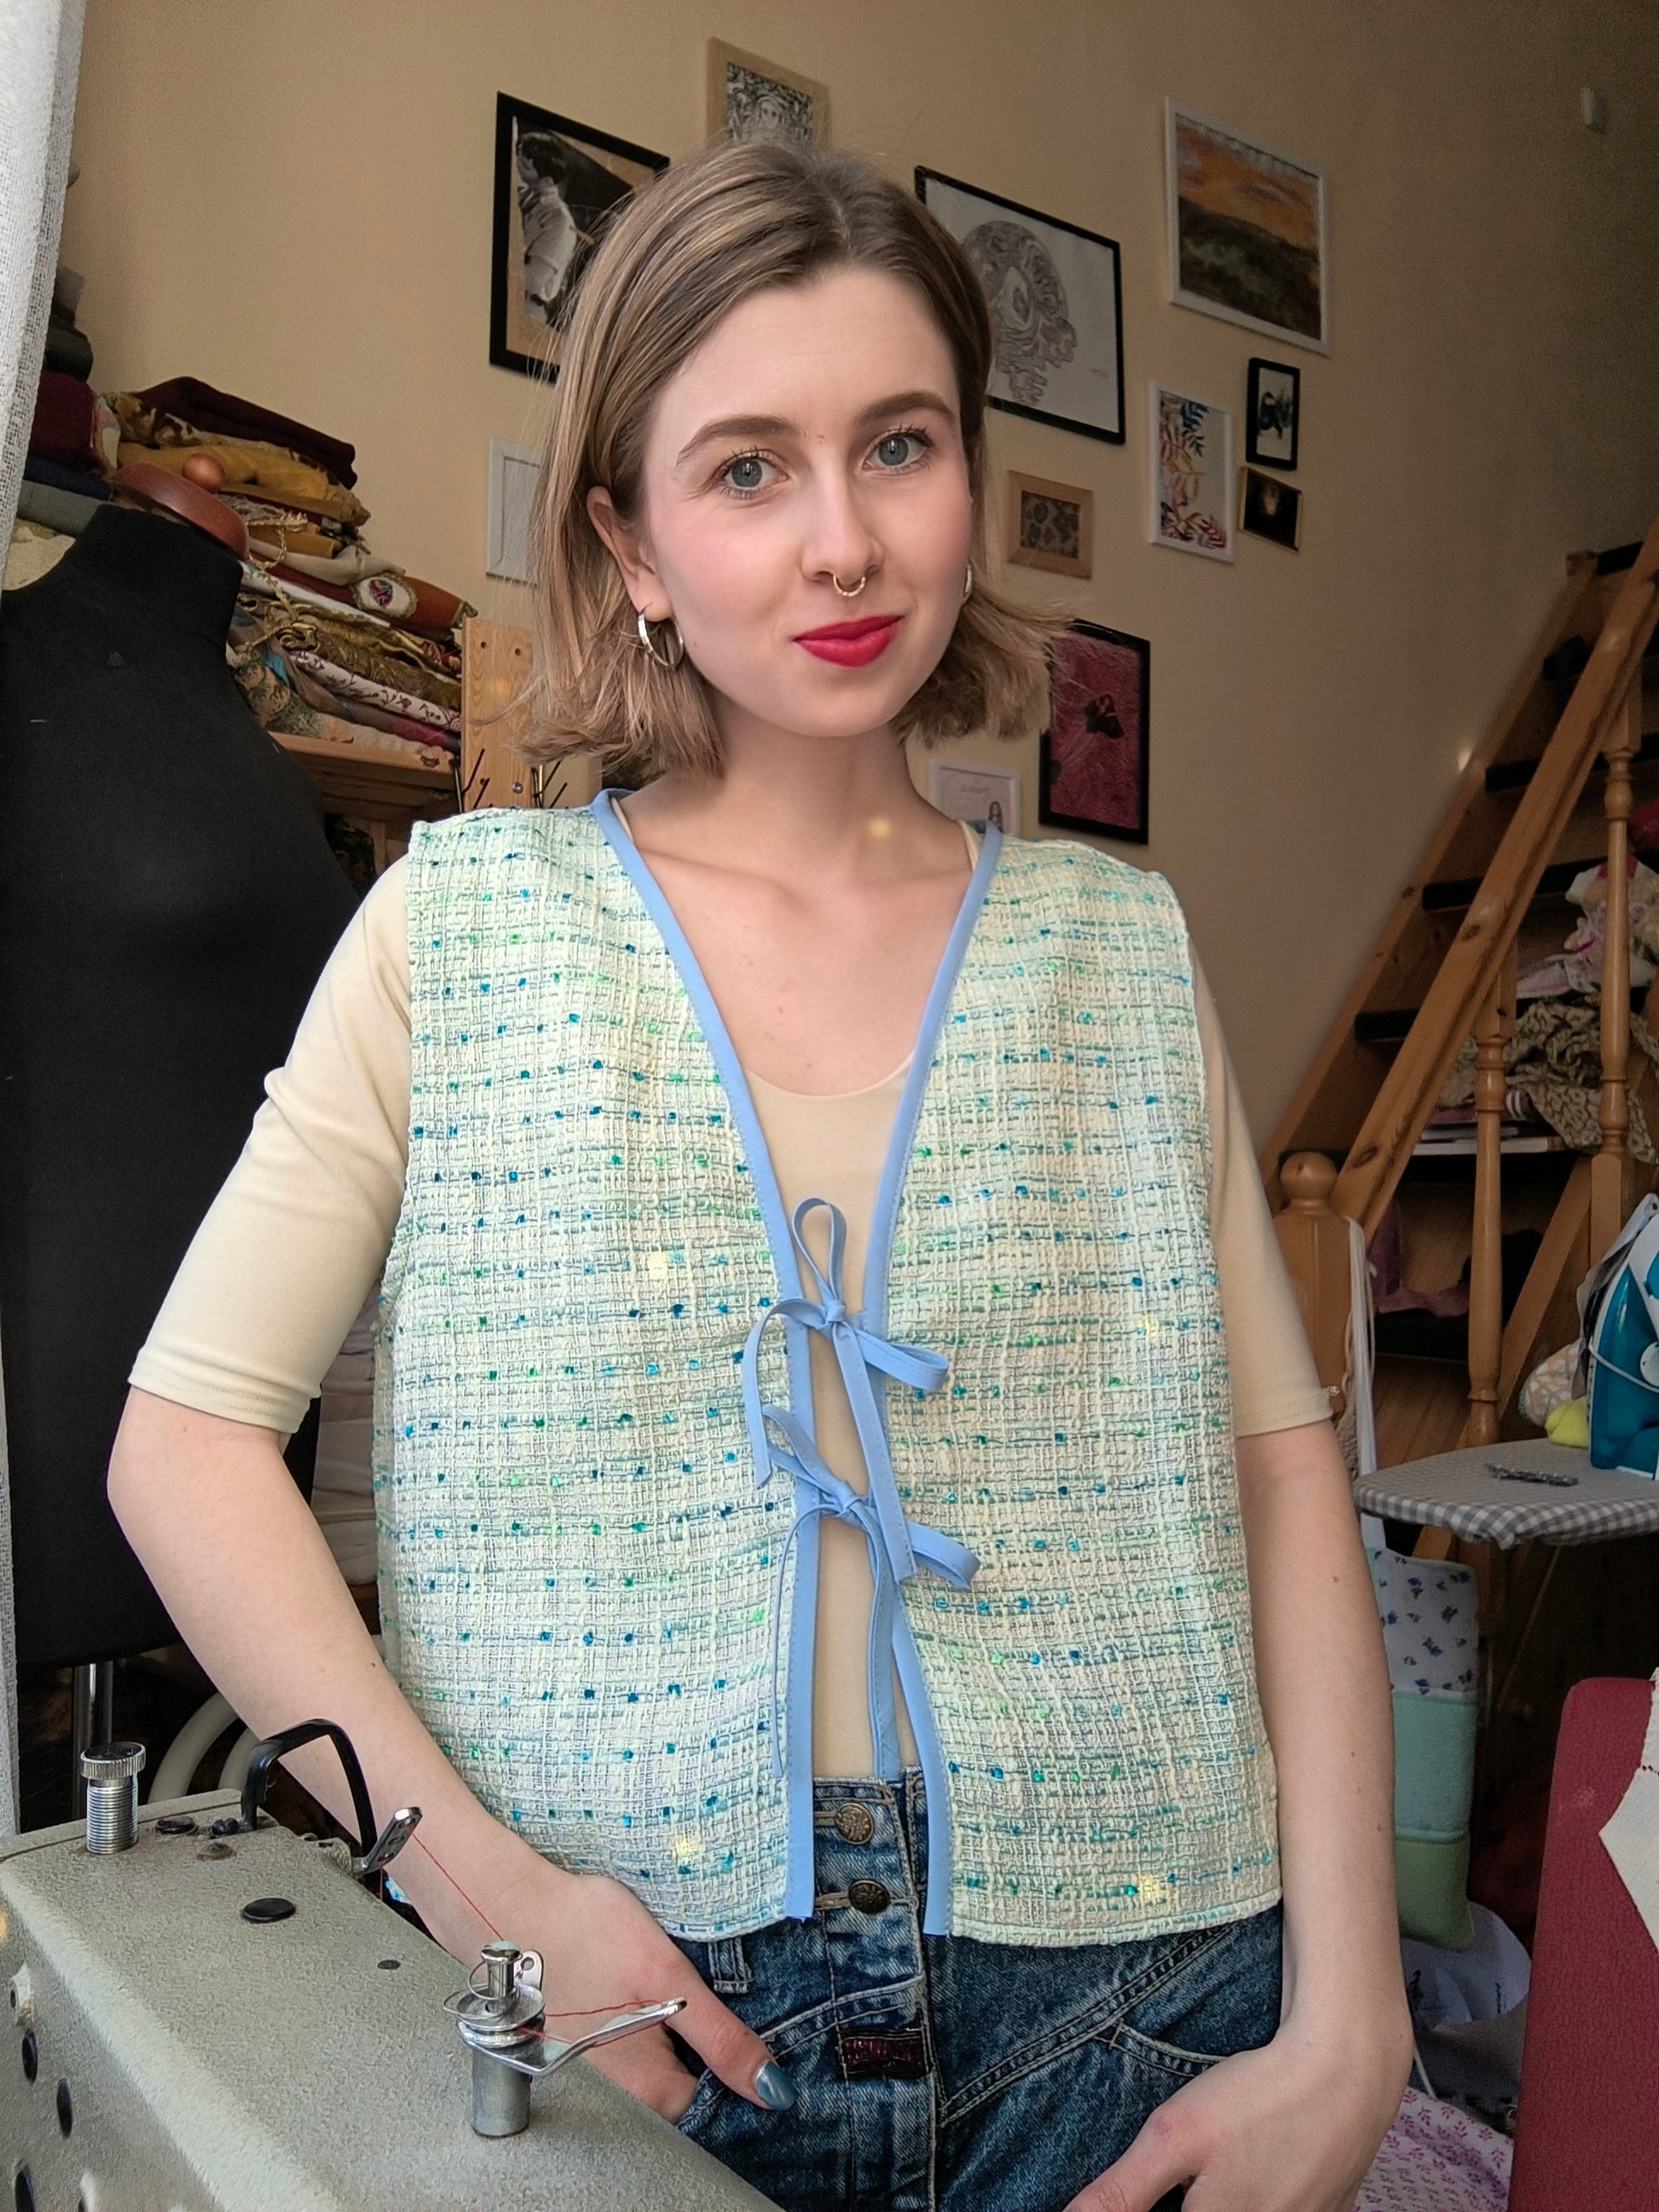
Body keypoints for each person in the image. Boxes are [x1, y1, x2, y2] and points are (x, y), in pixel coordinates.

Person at [111, 140, 1409, 2212]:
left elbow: (1276, 1469)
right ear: (626, 538)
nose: (842, 540)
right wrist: (480, 1890)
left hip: (1135, 1992)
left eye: (899, 443)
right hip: (624, 2000)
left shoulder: (1116, 949)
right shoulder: (458, 933)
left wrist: (1358, 2019)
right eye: (745, 468)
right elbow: (181, 1447)